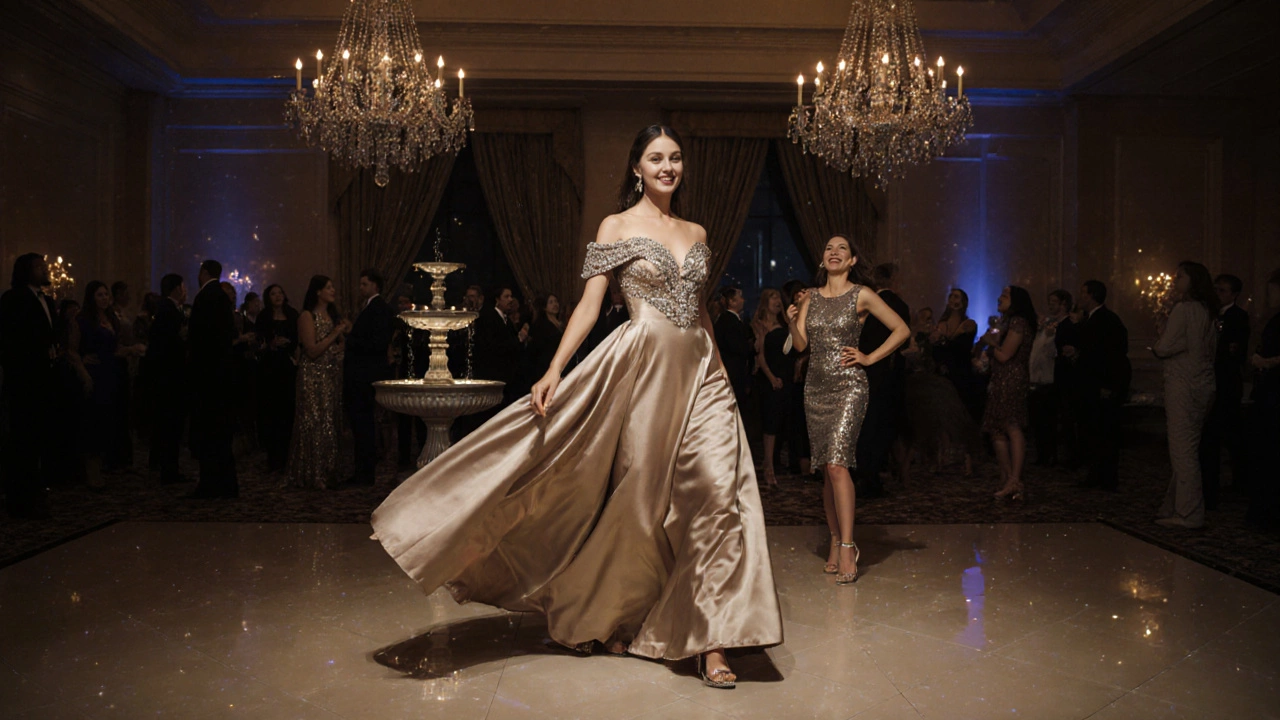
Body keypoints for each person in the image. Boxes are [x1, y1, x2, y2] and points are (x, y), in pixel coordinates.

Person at [371, 125, 782, 688]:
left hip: (702, 375)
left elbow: (701, 311)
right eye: (656, 158)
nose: (668, 166)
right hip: (643, 372)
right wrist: (554, 369)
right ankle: (616, 613)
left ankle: (714, 641)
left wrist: (725, 375)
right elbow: (589, 307)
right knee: (639, 504)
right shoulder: (616, 226)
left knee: (715, 496)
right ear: (636, 168)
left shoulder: (697, 230)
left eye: (676, 157)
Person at [786, 235, 910, 585]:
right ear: (823, 260)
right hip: (815, 388)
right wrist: (792, 321)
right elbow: (800, 346)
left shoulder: (862, 295)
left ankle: (847, 545)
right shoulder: (810, 296)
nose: (834, 252)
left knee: (839, 464)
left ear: (852, 260)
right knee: (827, 469)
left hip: (850, 387)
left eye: (842, 249)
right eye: (828, 248)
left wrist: (869, 357)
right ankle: (833, 539)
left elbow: (901, 330)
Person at [1152, 262, 1219, 529]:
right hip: (1204, 384)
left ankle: (1189, 513)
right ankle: (1176, 505)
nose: (1175, 280)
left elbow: (1166, 347)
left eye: (1180, 276)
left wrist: (1159, 343)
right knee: (1188, 447)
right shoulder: (1207, 311)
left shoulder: (1184, 309)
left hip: (1183, 384)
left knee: (1182, 451)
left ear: (1193, 281)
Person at [0, 254, 57, 518]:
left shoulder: (47, 300)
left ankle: (36, 493)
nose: (44, 269)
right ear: (26, 271)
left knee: (39, 438)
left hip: (44, 381)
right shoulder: (13, 300)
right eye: (39, 266)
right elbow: (10, 341)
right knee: (22, 440)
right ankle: (19, 500)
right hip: (23, 381)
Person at [854, 263, 911, 499]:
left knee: (863, 425)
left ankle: (860, 475)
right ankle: (871, 477)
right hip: (886, 375)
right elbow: (904, 342)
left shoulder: (862, 306)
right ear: (893, 281)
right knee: (881, 426)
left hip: (861, 372)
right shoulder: (898, 305)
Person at [289, 275, 350, 489]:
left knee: (330, 421)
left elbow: (341, 345)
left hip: (331, 376)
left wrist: (340, 345)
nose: (333, 291)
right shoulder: (307, 316)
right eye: (329, 287)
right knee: (313, 422)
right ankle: (312, 473)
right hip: (312, 376)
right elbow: (312, 351)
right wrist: (335, 334)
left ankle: (329, 470)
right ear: (317, 291)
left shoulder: (333, 315)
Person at [977, 286, 1037, 501]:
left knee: (1011, 425)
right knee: (997, 429)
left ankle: (1014, 479)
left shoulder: (1019, 323)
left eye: (1005, 295)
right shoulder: (1006, 322)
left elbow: (1004, 355)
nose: (999, 298)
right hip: (1000, 378)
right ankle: (1007, 478)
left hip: (1012, 378)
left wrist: (991, 344)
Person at [187, 260, 238, 499]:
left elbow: (200, 340)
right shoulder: (221, 297)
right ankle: (225, 483)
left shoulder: (205, 297)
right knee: (220, 432)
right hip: (222, 375)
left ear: (203, 272)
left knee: (209, 431)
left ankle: (211, 484)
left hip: (208, 376)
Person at [1074, 280, 1131, 490]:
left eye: (1082, 293)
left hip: (1102, 386)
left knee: (1104, 432)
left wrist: (1109, 385)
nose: (1079, 297)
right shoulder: (1096, 319)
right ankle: (1097, 475)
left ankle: (1104, 477)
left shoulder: (1105, 320)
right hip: (1095, 385)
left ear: (1091, 296)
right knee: (1096, 431)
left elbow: (1112, 355)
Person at [1200, 273, 1249, 508]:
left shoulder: (1238, 317)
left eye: (1223, 291)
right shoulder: (1210, 314)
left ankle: (1233, 482)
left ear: (1234, 294)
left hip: (1226, 384)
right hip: (1212, 382)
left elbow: (1233, 353)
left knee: (1228, 435)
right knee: (1217, 435)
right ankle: (1214, 483)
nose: (1218, 294)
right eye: (1216, 289)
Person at [344, 269, 395, 486]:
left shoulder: (379, 309)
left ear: (375, 286)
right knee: (362, 424)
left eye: (364, 284)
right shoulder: (372, 307)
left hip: (365, 375)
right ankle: (363, 472)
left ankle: (364, 474)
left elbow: (377, 344)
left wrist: (350, 336)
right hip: (364, 373)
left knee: (363, 424)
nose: (360, 288)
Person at [145, 273, 189, 485]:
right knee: (170, 424)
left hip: (167, 376)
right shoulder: (168, 311)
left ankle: (167, 466)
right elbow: (169, 344)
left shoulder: (168, 309)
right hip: (170, 377)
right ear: (176, 288)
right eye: (183, 286)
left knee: (169, 424)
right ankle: (169, 470)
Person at [1247, 268, 1280, 527]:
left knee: (1269, 452)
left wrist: (1267, 362)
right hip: (1269, 390)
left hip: (1275, 393)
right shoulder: (1274, 318)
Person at [255, 284, 299, 472]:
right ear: (268, 297)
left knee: (288, 411)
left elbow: (299, 339)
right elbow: (258, 342)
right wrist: (271, 344)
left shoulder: (292, 314)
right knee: (271, 412)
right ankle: (273, 458)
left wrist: (291, 346)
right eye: (273, 294)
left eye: (280, 292)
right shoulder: (264, 316)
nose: (278, 296)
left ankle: (289, 457)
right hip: (269, 368)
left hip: (288, 366)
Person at [751, 288, 791, 487]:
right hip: (767, 378)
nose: (777, 301)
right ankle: (768, 467)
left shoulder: (784, 324)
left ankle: (770, 462)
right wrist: (771, 378)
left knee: (780, 422)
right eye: (773, 298)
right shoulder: (758, 324)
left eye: (779, 298)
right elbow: (760, 356)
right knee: (769, 424)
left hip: (784, 375)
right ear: (765, 302)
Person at [1029, 290, 1070, 466]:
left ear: (1063, 303)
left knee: (1049, 421)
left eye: (1054, 301)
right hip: (1037, 379)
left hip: (1051, 379)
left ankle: (1051, 454)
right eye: (1049, 301)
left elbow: (1053, 352)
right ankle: (1042, 454)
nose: (1050, 304)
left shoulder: (1064, 326)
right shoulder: (1046, 325)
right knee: (1038, 421)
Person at [714, 286, 753, 407]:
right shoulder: (728, 321)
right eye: (740, 297)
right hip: (734, 371)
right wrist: (751, 347)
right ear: (731, 301)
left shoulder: (730, 319)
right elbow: (736, 346)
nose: (743, 300)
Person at [528, 292, 565, 384]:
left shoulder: (560, 324)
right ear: (544, 307)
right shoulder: (541, 325)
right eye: (551, 302)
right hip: (546, 366)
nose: (555, 304)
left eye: (556, 301)